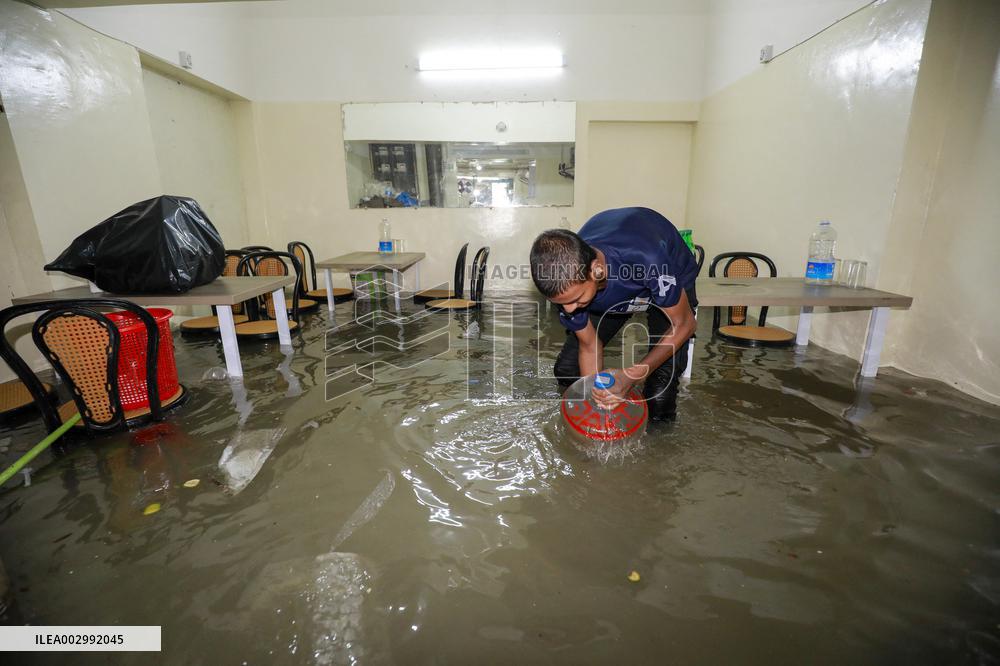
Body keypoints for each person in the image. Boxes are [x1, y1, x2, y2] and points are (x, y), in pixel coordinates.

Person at [529, 207, 698, 421]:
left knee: (659, 397)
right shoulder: (571, 285)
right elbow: (590, 346)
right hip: (611, 292)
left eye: (575, 299)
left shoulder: (647, 258)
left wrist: (631, 376)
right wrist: (596, 404)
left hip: (669, 282)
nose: (569, 310)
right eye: (562, 304)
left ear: (597, 270)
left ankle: (656, 448)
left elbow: (685, 324)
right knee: (567, 369)